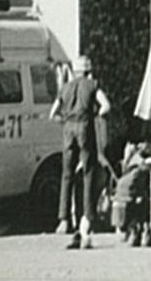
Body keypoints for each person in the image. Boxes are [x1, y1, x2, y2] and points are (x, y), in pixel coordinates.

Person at [48, 54, 111, 249]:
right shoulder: (92, 85)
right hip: (85, 128)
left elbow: (52, 114)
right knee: (88, 173)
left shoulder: (65, 88)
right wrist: (94, 115)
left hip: (68, 130)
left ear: (74, 71)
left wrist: (66, 121)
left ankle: (63, 219)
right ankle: (88, 217)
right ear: (88, 71)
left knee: (66, 174)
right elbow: (106, 106)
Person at [110, 142, 151, 247]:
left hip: (139, 167)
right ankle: (139, 228)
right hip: (132, 170)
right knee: (131, 191)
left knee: (130, 189)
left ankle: (135, 228)